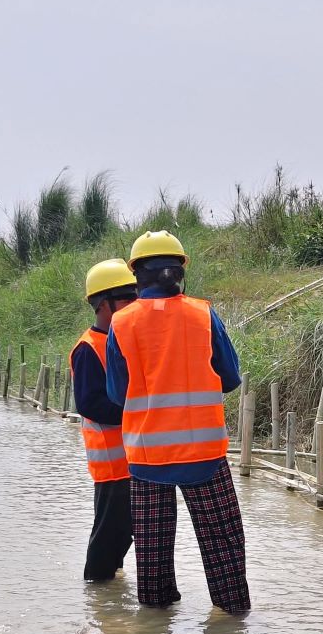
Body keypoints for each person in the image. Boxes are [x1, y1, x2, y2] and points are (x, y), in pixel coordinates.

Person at [106, 230, 250, 614]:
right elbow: (231, 378)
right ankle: (233, 622)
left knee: (151, 561)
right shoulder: (203, 314)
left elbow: (118, 394)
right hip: (204, 455)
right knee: (225, 551)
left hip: (147, 458)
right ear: (180, 272)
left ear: (137, 276)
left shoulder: (121, 324)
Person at [70, 259, 139, 582]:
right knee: (109, 535)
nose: (133, 304)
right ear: (102, 304)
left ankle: (110, 593)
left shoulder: (124, 340)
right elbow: (90, 404)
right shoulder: (88, 348)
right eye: (126, 298)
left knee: (124, 533)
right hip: (113, 465)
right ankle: (98, 598)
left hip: (136, 459)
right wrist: (138, 411)